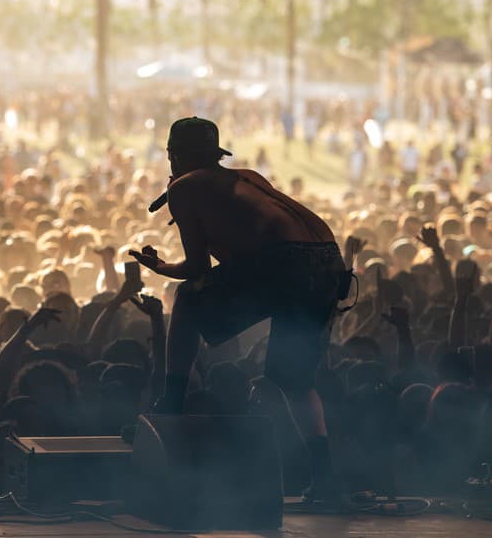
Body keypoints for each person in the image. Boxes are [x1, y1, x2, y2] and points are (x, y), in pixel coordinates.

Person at [130, 117, 347, 501]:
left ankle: (172, 403)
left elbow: (198, 269)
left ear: (175, 155)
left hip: (284, 261)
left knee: (188, 298)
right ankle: (326, 478)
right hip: (328, 260)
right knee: (293, 381)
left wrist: (160, 267)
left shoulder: (184, 186)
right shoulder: (247, 176)